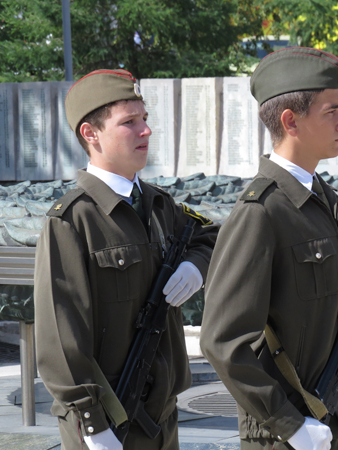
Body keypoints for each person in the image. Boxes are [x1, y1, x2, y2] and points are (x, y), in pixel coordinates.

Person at [200, 48, 338, 450]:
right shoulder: (260, 213)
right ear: (290, 121)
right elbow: (222, 342)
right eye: (331, 110)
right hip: (290, 438)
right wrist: (286, 422)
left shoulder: (323, 199)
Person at [35, 69, 218, 450]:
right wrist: (92, 422)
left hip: (161, 414)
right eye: (129, 122)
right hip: (108, 419)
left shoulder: (159, 204)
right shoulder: (72, 221)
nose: (146, 131)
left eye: (145, 119)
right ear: (91, 134)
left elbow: (210, 236)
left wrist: (196, 266)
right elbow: (60, 338)